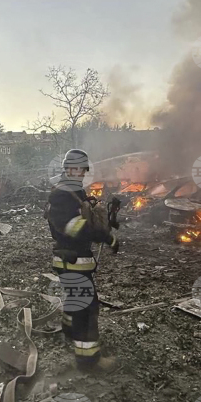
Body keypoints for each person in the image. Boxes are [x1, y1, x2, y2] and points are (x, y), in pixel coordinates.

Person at [46, 149, 120, 373]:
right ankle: (89, 360)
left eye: (82, 169)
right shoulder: (62, 195)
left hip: (75, 259)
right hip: (71, 259)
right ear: (67, 169)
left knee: (76, 299)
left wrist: (104, 220)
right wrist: (104, 236)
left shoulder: (74, 192)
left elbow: (85, 220)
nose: (79, 173)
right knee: (87, 308)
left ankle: (69, 331)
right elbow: (73, 228)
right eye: (75, 168)